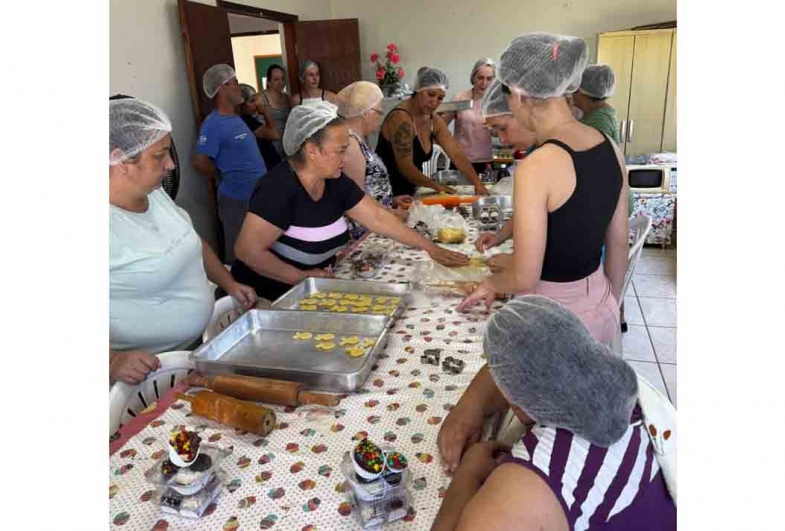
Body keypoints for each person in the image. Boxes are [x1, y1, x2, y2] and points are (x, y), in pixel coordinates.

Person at [432, 296, 676, 530]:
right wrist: (468, 406)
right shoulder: (622, 387)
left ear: (513, 400)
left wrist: (469, 474)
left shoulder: (527, 483)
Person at [458, 33, 629, 348]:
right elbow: (618, 243)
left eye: (506, 94)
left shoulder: (537, 167)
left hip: (551, 319)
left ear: (521, 95)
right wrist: (610, 306)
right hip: (600, 303)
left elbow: (524, 276)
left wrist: (491, 283)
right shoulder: (610, 147)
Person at [231, 101, 470, 301]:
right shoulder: (278, 189)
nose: (346, 157)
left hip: (312, 289)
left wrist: (431, 248)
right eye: (340, 150)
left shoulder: (335, 181)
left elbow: (378, 218)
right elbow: (247, 251)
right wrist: (298, 277)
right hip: (269, 296)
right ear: (312, 150)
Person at [110, 98, 256, 385]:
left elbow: (191, 240)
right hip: (147, 371)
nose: (171, 164)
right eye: (159, 155)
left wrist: (229, 283)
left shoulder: (154, 193)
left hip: (197, 349)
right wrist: (112, 360)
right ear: (122, 159)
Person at [192, 64, 268, 263]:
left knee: (259, 246)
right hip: (236, 199)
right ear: (222, 87)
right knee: (238, 250)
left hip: (257, 195)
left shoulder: (235, 118)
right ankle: (236, 290)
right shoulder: (213, 124)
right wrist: (220, 176)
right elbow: (200, 160)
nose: (238, 87)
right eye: (233, 83)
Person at [376, 66, 489, 197]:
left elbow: (456, 153)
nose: (434, 102)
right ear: (418, 90)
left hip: (410, 191)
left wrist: (478, 183)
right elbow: (406, 167)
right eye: (430, 94)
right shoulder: (401, 119)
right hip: (388, 194)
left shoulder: (432, 119)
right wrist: (436, 186)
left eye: (440, 98)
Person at [473, 80, 538, 271]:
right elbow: (528, 213)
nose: (502, 139)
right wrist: (499, 236)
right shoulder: (535, 152)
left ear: (522, 112)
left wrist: (516, 263)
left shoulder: (544, 160)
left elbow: (555, 235)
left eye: (503, 128)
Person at [335, 81, 411, 240]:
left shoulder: (358, 139)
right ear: (365, 112)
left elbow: (367, 186)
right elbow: (355, 201)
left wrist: (390, 199)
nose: (379, 118)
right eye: (378, 112)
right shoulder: (351, 145)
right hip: (365, 229)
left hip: (376, 221)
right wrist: (393, 214)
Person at [441, 58, 496, 174]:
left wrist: (495, 128)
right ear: (473, 78)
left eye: (489, 79)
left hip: (485, 161)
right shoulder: (460, 98)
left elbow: (500, 134)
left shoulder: (494, 103)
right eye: (480, 78)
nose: (484, 83)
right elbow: (441, 125)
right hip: (460, 160)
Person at [238, 83, 282, 171]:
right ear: (241, 104)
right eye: (252, 101)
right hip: (267, 169)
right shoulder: (247, 121)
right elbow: (275, 135)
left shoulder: (250, 119)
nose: (256, 105)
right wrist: (266, 111)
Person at [573, 64, 620, 143]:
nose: (572, 95)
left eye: (576, 91)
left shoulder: (600, 121)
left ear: (585, 94)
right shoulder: (593, 114)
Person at [259, 64, 292, 158]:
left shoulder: (287, 98)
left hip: (287, 149)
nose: (280, 82)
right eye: (276, 79)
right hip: (270, 151)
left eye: (282, 79)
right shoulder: (260, 98)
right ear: (269, 82)